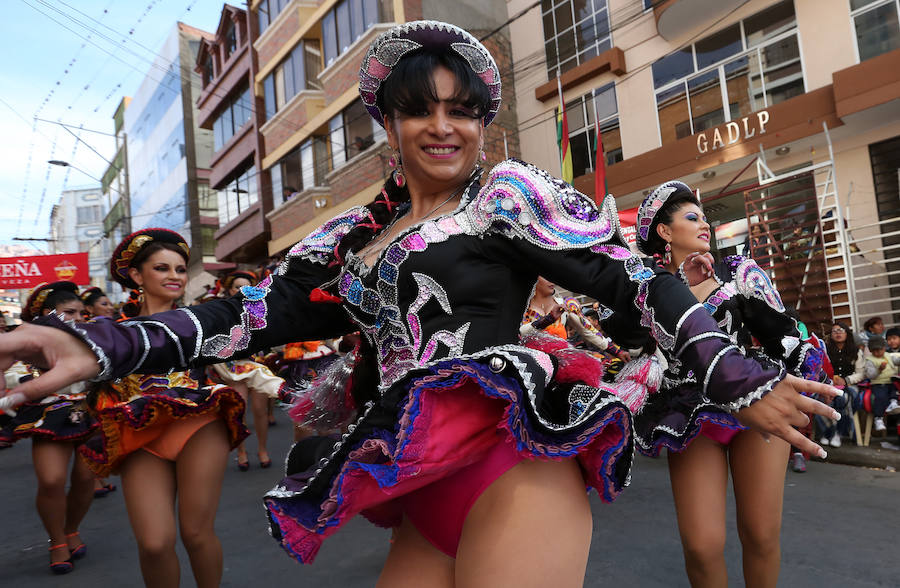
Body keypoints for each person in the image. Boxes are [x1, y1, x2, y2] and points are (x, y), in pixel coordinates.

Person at [0, 22, 840, 586]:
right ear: (387, 122)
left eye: (463, 110)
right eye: (421, 110)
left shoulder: (507, 196)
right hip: (418, 468)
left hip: (514, 462)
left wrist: (734, 374)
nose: (445, 127)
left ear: (482, 123)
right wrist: (105, 347)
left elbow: (631, 278)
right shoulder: (355, 238)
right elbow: (248, 313)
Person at [633, 180, 829, 587]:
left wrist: (807, 374)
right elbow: (626, 335)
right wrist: (671, 286)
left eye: (705, 217)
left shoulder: (736, 272)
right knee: (701, 547)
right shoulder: (649, 286)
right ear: (665, 232)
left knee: (760, 533)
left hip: (754, 400)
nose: (704, 223)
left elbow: (784, 332)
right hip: (690, 413)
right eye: (692, 217)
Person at [77, 229, 249, 587]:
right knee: (154, 544)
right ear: (138, 276)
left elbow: (239, 365)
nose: (174, 276)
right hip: (141, 433)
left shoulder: (202, 322)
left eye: (180, 269)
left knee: (196, 533)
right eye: (162, 268)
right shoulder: (112, 331)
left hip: (199, 424)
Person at [0, 281, 97, 574]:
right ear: (46, 314)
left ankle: (70, 529)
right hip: (49, 414)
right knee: (52, 480)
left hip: (91, 411)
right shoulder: (25, 338)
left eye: (82, 313)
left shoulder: (92, 336)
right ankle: (56, 539)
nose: (78, 318)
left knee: (85, 477)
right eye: (70, 312)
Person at [208, 270, 286, 470]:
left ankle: (262, 449)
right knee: (238, 411)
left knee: (260, 410)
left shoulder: (259, 308)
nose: (242, 290)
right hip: (232, 368)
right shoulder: (220, 310)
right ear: (229, 289)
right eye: (237, 286)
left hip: (256, 364)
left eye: (246, 286)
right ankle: (241, 452)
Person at [818, 322, 867, 445]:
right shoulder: (826, 351)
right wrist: (829, 383)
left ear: (847, 333)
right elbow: (820, 370)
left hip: (850, 385)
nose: (838, 333)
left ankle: (838, 433)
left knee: (843, 398)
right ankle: (828, 431)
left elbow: (861, 373)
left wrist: (846, 380)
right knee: (820, 399)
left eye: (841, 330)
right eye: (835, 331)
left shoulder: (856, 352)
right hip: (829, 385)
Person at [864, 335, 900, 434]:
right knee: (880, 397)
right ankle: (878, 418)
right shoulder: (870, 360)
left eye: (880, 350)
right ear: (871, 351)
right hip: (878, 383)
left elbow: (896, 361)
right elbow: (870, 375)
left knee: (895, 390)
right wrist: (879, 369)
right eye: (874, 351)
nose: (878, 353)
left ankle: (893, 403)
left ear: (884, 348)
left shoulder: (888, 356)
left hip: (891, 381)